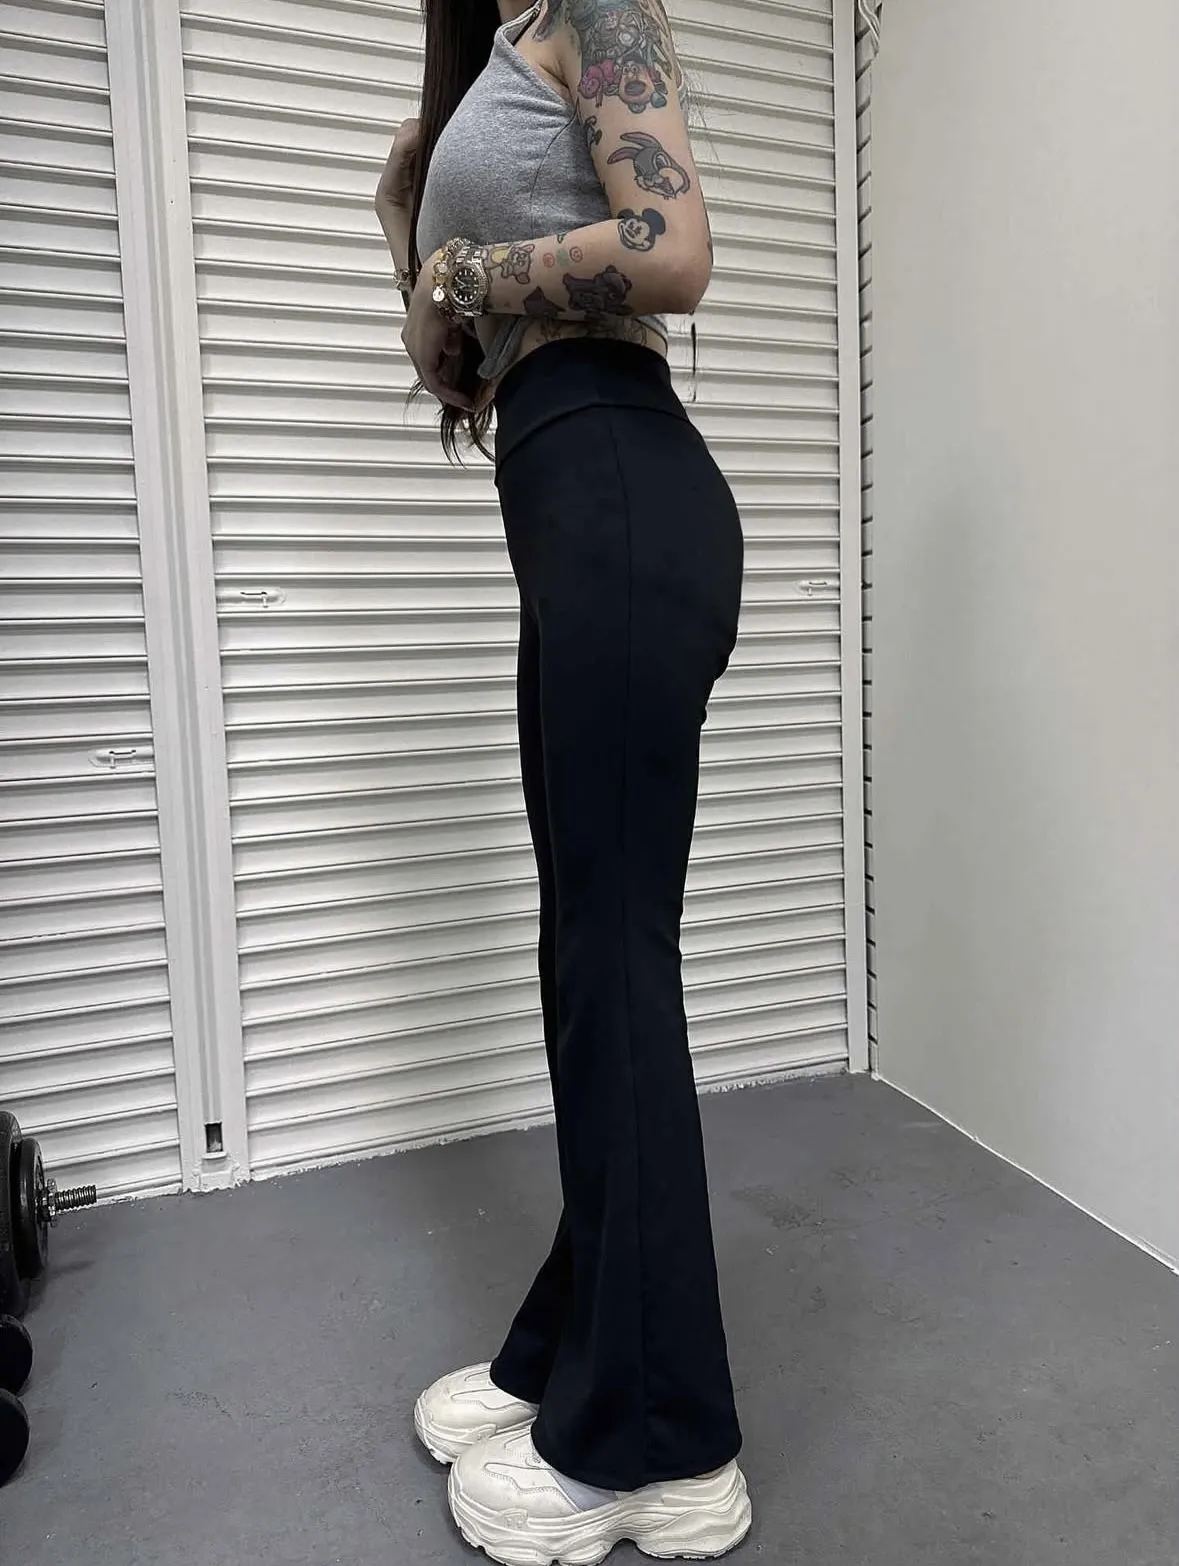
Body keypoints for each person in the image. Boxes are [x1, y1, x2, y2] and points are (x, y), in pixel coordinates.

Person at [375, 2, 749, 1560]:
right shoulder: (495, 43)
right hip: (572, 493)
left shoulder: (598, 9)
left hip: (621, 487)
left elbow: (670, 251)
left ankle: (661, 1445)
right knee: (582, 962)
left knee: (614, 961)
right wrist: (414, 235)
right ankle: (569, 1348)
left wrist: (461, 271)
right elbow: (461, 358)